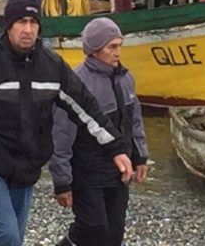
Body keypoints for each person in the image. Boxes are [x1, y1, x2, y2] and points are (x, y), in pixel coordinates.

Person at [0, 0, 133, 246]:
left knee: (12, 239)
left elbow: (87, 108)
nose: (27, 30)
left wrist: (116, 148)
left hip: (27, 165)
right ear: (9, 25)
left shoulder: (52, 66)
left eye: (33, 22)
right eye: (21, 22)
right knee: (5, 234)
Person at [50, 18, 148, 246]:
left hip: (119, 171)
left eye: (119, 45)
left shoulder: (126, 78)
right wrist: (62, 181)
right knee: (92, 228)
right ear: (94, 49)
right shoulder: (76, 83)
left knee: (114, 233)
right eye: (111, 47)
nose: (117, 52)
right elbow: (61, 135)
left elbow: (134, 121)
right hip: (86, 172)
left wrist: (140, 156)